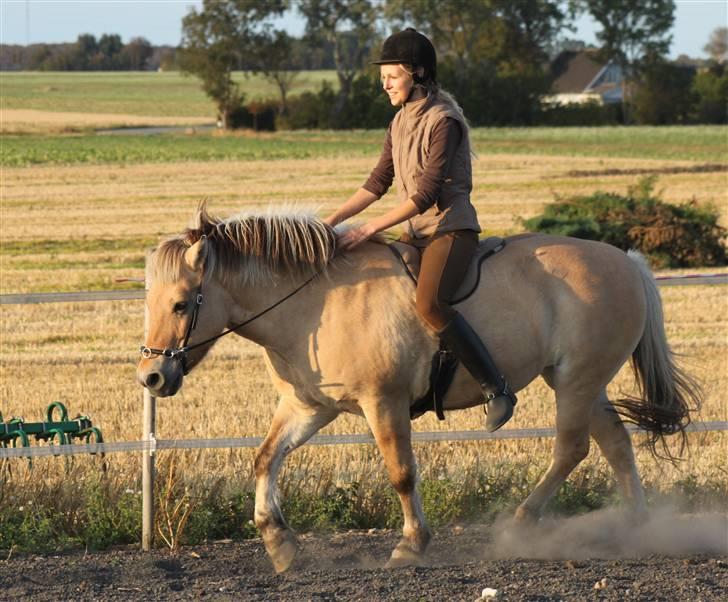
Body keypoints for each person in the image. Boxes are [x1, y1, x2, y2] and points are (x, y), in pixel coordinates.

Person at [323, 28, 516, 432]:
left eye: (392, 76)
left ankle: (496, 388)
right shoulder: (398, 122)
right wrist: (331, 221)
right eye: (383, 79)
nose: (385, 85)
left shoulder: (444, 121)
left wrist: (368, 229)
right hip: (414, 233)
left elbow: (427, 194)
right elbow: (377, 183)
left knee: (429, 304)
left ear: (419, 73)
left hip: (450, 230)